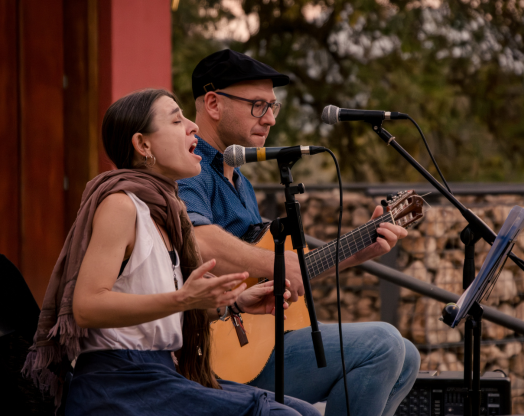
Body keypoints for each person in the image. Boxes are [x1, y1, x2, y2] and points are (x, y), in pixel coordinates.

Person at [22, 89, 320, 416]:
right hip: (118, 384)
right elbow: (87, 307)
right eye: (177, 120)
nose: (193, 126)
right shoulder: (121, 205)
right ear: (143, 145)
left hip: (160, 373)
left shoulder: (167, 214)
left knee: (304, 412)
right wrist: (184, 300)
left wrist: (232, 304)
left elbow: (157, 316)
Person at [177, 49, 421, 416]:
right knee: (383, 343)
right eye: (259, 106)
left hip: (260, 346)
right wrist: (277, 264)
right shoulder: (191, 172)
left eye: (274, 107)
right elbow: (196, 239)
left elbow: (278, 275)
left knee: (409, 357)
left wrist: (358, 253)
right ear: (213, 103)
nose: (271, 119)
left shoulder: (240, 182)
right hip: (216, 354)